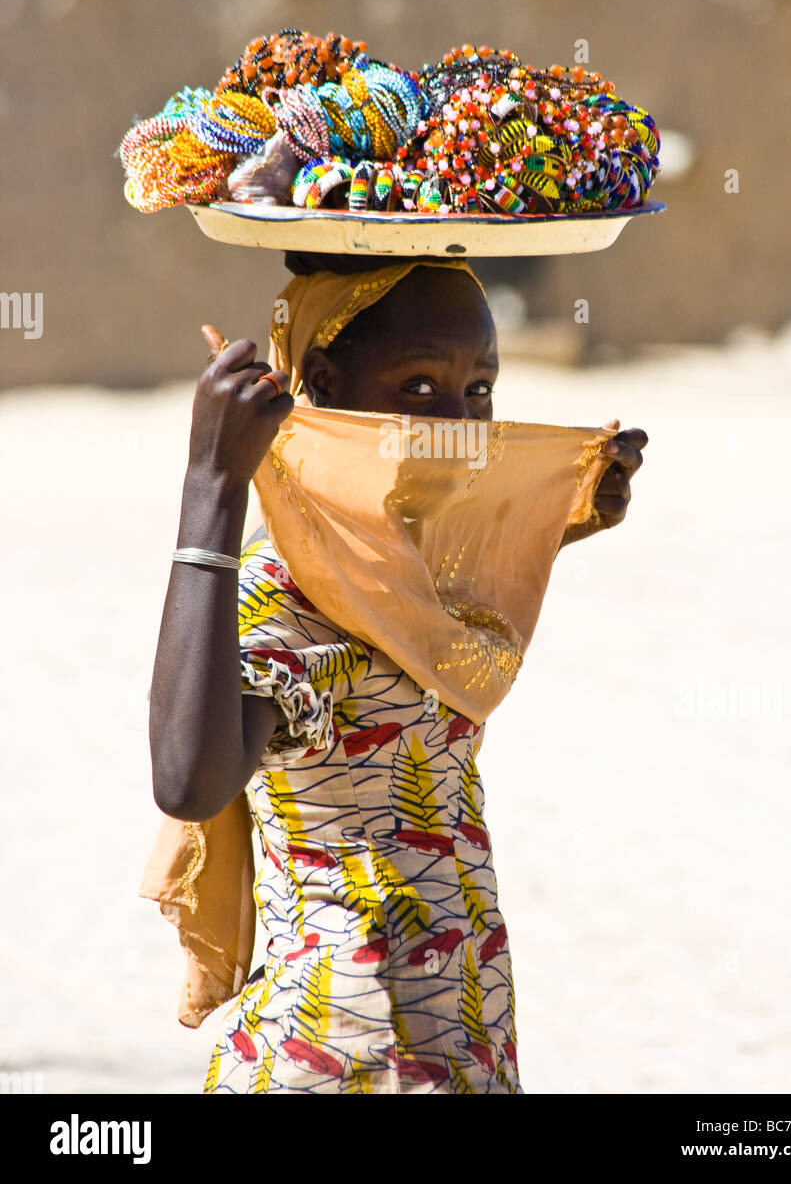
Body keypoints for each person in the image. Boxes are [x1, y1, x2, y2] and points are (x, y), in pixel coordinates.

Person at [147, 257, 647, 1093]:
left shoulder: (421, 573)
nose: (456, 421)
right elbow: (185, 781)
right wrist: (214, 483)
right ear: (323, 384)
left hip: (462, 1046)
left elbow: (441, 615)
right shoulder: (284, 594)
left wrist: (559, 509)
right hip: (339, 1050)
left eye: (479, 390)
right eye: (419, 387)